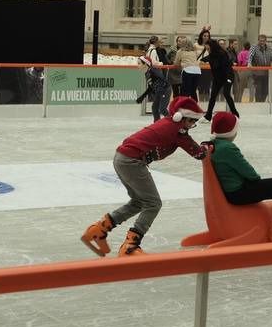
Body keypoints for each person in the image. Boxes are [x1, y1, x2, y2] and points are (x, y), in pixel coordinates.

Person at [81, 96, 208, 257]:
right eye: (192, 122)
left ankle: (98, 230)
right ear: (182, 118)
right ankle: (130, 246)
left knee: (139, 202)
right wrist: (208, 147)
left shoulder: (170, 124)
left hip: (121, 158)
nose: (192, 125)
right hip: (132, 161)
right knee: (153, 203)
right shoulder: (177, 130)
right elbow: (198, 154)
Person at [208, 112, 272, 242]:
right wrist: (256, 182)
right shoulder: (228, 149)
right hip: (238, 193)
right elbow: (250, 174)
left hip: (230, 191)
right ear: (231, 132)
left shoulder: (213, 145)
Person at [135, 37, 171, 121]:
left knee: (161, 109)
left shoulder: (153, 71)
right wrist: (142, 97)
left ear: (145, 64)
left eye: (139, 63)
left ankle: (173, 123)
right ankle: (157, 125)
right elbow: (151, 86)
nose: (137, 65)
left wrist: (160, 94)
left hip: (165, 89)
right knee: (155, 108)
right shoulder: (147, 73)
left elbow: (163, 81)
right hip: (160, 90)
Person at [204, 38, 239, 120]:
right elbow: (205, 59)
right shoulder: (211, 55)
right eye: (206, 49)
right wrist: (199, 61)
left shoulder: (222, 54)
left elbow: (227, 67)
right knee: (213, 96)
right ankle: (208, 115)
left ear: (212, 47)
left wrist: (228, 79)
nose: (208, 50)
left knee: (226, 93)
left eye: (208, 49)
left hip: (228, 76)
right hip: (218, 79)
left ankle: (235, 113)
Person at [247, 34, 272, 104]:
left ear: (266, 41)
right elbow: (250, 56)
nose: (262, 42)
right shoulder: (254, 47)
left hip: (266, 73)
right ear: (258, 41)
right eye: (260, 41)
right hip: (257, 74)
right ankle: (258, 103)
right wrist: (249, 63)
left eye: (263, 41)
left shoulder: (269, 48)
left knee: (266, 90)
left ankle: (262, 102)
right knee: (259, 90)